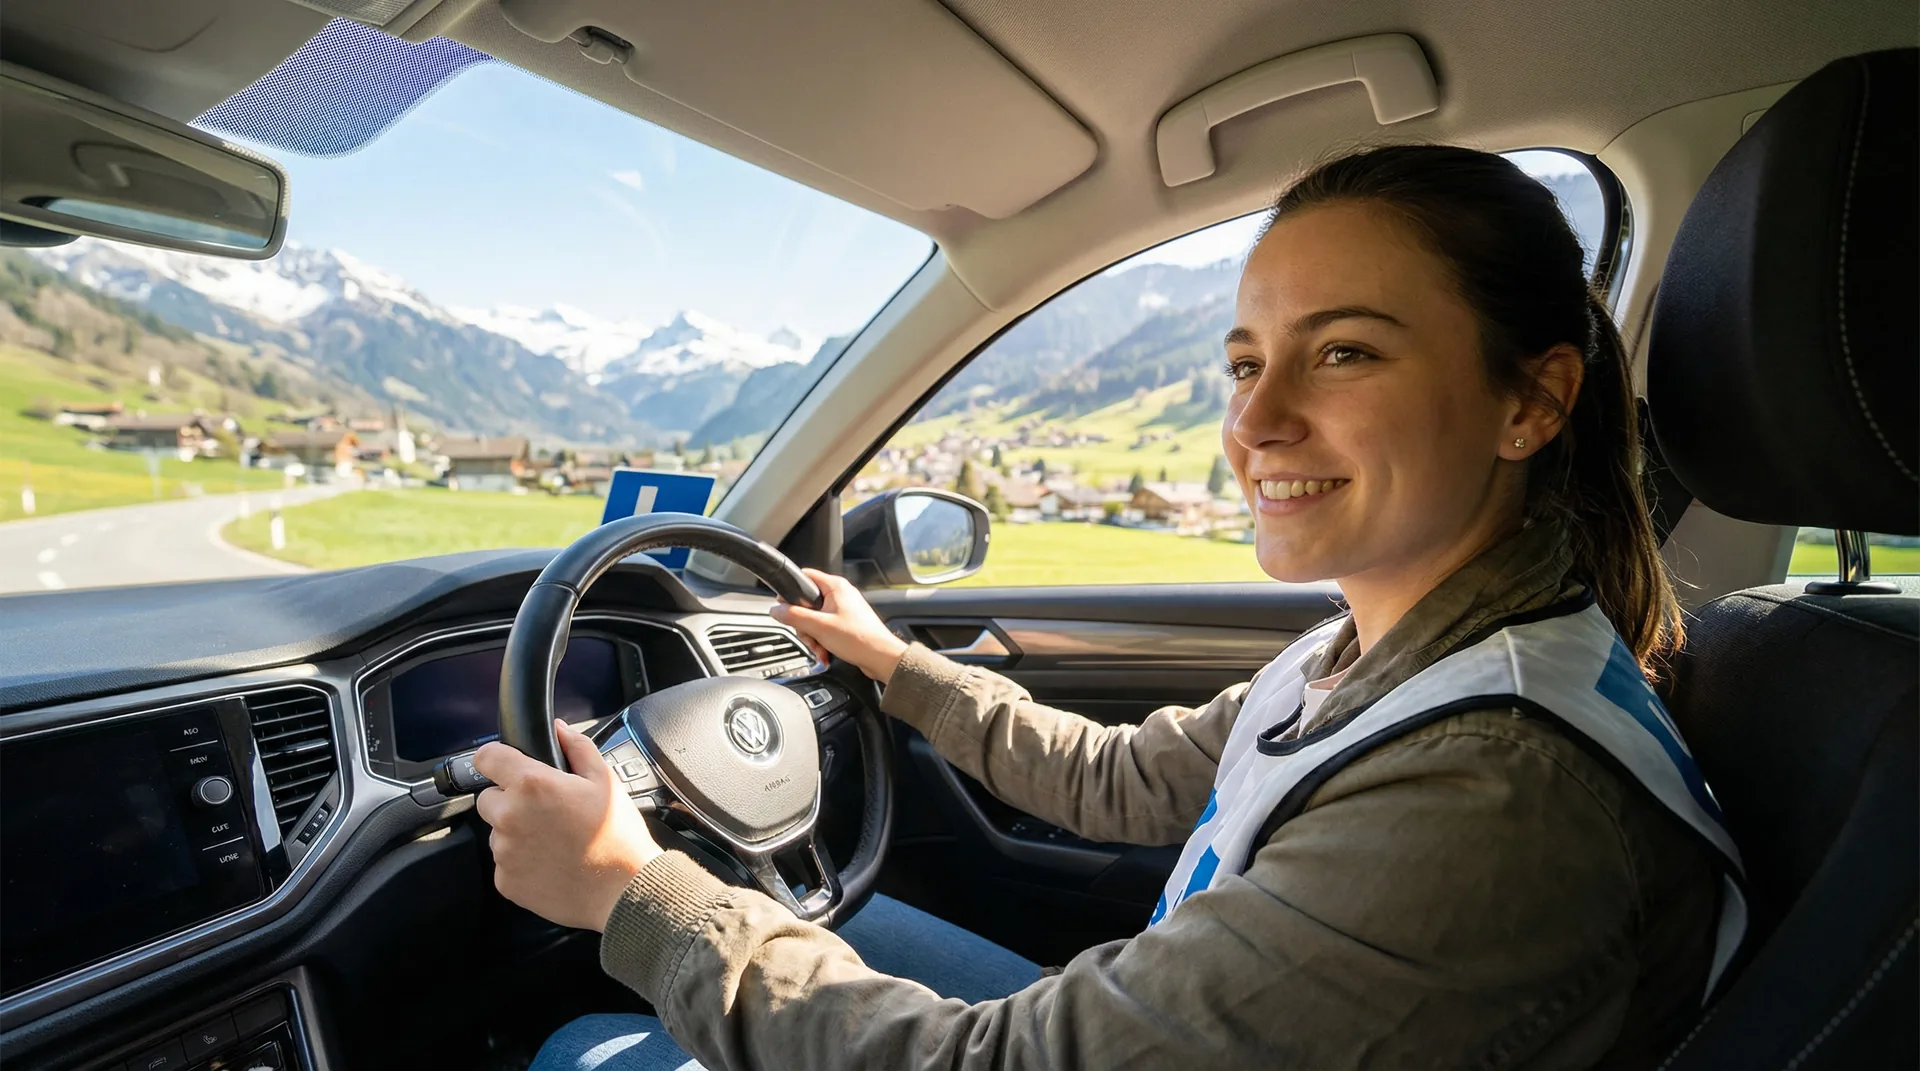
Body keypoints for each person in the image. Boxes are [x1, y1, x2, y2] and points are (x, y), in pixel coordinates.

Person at [474, 145, 1744, 1070]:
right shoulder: (1401, 654)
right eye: (1246, 362)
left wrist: (633, 893)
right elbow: (1132, 779)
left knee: (594, 1044)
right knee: (857, 921)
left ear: (1532, 402)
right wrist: (894, 666)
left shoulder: (1489, 794)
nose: (1254, 422)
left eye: (1344, 350)